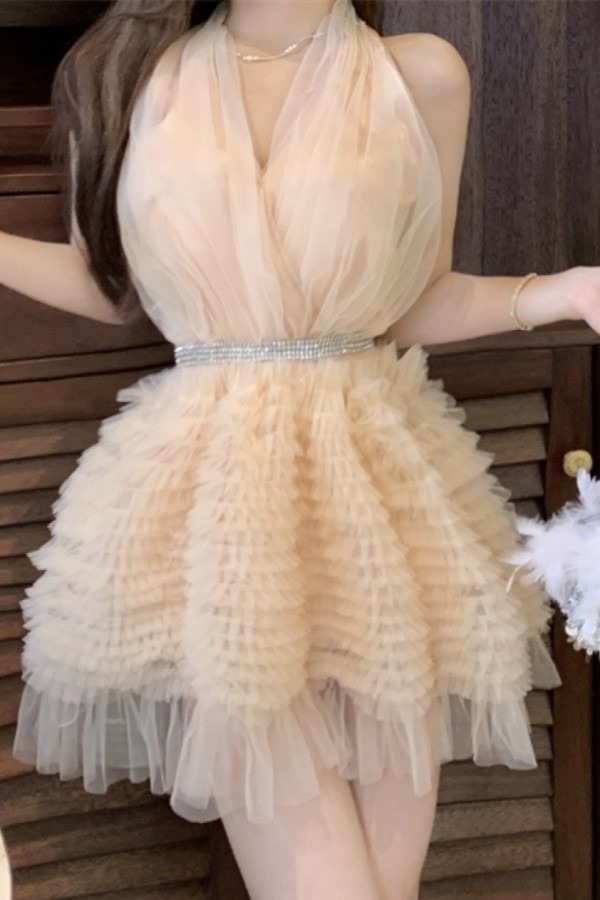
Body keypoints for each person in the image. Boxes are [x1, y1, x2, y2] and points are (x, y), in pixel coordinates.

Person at [1, 1, 599, 898]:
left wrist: (564, 291)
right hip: (217, 495)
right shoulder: (124, 71)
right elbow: (109, 282)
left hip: (378, 495)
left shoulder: (419, 73)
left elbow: (416, 299)